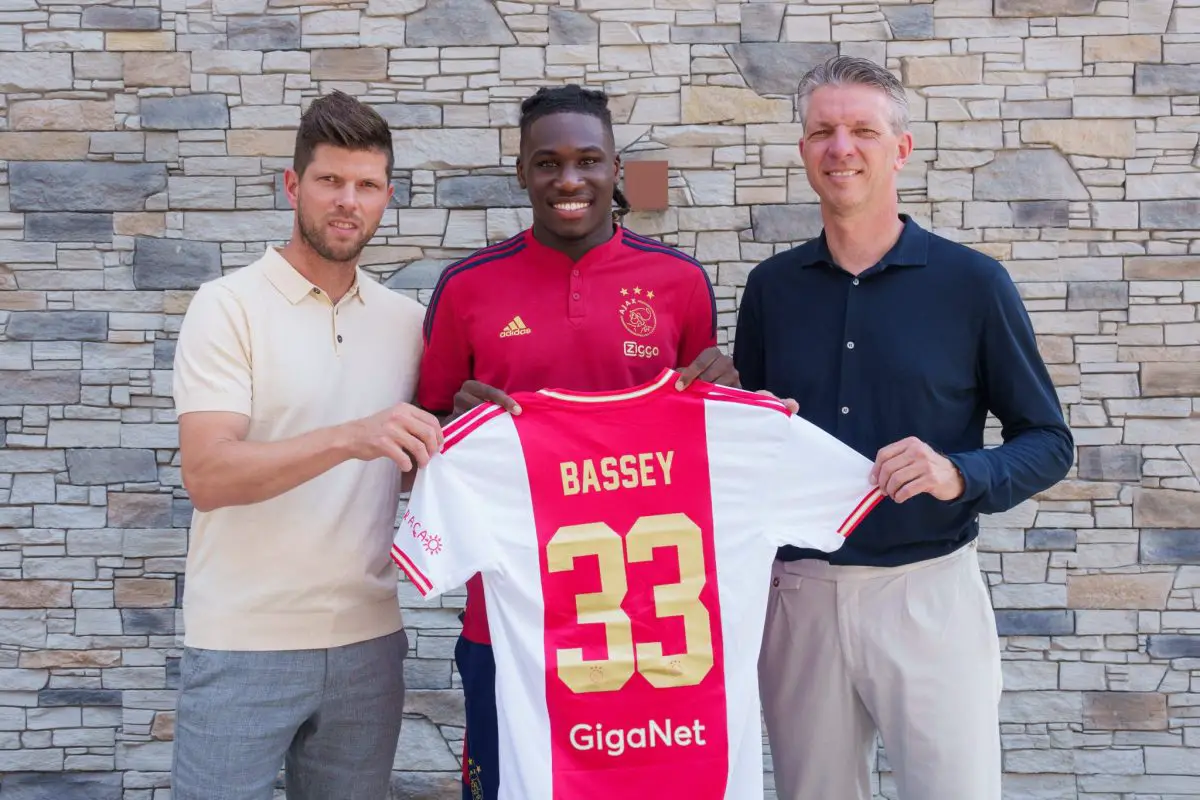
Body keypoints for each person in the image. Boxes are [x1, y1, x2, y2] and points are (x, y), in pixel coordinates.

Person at [734, 56, 1074, 800]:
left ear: (901, 149)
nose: (841, 148)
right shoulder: (770, 291)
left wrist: (960, 472)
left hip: (929, 595)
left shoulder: (973, 285)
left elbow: (1049, 442)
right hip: (799, 598)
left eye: (863, 130)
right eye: (822, 131)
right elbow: (753, 443)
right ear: (804, 150)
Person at [416, 83, 741, 800]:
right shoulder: (467, 288)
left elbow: (703, 444)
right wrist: (450, 426)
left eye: (589, 160)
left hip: (649, 622)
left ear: (616, 168)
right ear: (521, 172)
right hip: (508, 617)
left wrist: (731, 398)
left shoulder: (678, 282)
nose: (569, 180)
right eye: (548, 162)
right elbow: (422, 436)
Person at [170, 90, 442, 800]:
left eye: (367, 185)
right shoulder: (227, 306)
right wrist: (353, 436)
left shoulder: (408, 323)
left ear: (387, 197)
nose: (347, 201)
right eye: (330, 180)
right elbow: (208, 473)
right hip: (243, 643)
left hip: (368, 644)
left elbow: (415, 469)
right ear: (293, 185)